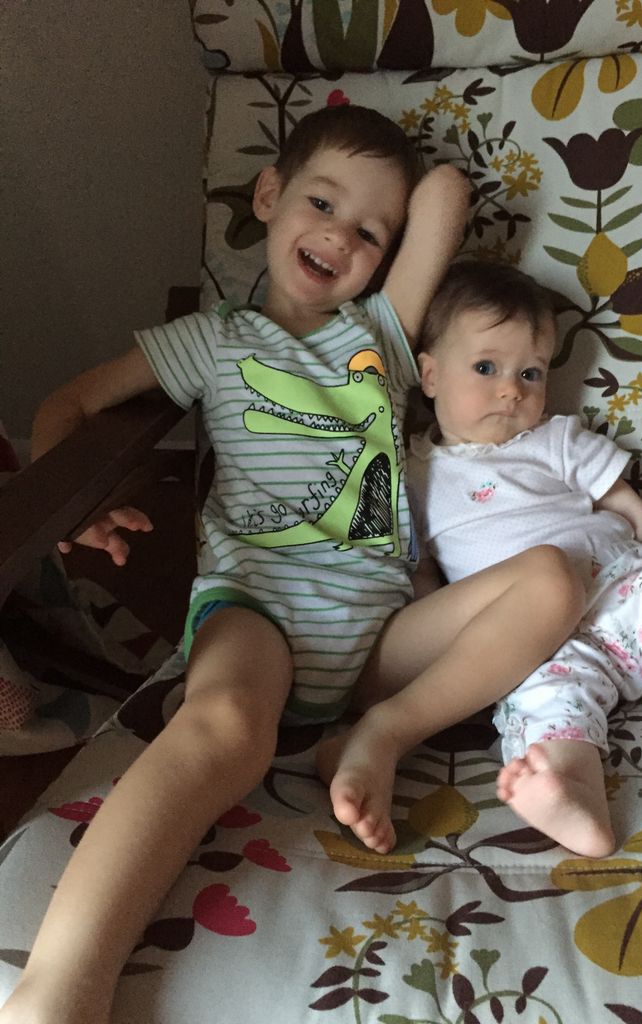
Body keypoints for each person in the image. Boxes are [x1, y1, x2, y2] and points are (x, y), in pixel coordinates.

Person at [0, 107, 584, 1024]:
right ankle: (60, 988)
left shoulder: (383, 335)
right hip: (259, 606)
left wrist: (386, 221)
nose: (340, 236)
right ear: (267, 195)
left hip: (379, 636)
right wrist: (77, 506)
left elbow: (445, 194)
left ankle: (378, 735)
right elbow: (67, 404)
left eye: (369, 233)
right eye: (320, 203)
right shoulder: (214, 337)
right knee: (230, 725)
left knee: (555, 577)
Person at [407, 258, 642, 860]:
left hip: (627, 593)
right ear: (430, 374)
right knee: (541, 702)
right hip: (535, 641)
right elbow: (423, 579)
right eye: (486, 367)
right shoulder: (412, 476)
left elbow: (627, 507)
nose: (511, 389)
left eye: (530, 372)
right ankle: (572, 796)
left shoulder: (555, 439)